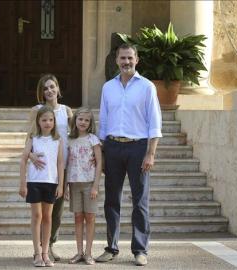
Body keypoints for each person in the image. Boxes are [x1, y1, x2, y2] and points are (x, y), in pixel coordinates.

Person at [96, 43, 162, 266]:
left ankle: (140, 250)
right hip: (113, 147)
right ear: (116, 60)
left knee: (140, 201)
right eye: (122, 58)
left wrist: (150, 154)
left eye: (130, 58)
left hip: (138, 148)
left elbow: (154, 123)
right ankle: (111, 248)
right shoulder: (108, 88)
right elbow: (103, 122)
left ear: (137, 60)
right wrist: (102, 155)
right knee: (111, 201)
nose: (126, 62)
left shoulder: (147, 87)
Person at [27, 74, 73, 261]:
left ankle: (49, 246)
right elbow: (28, 138)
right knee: (40, 213)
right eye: (45, 88)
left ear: (58, 88)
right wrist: (30, 156)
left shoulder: (67, 111)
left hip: (61, 166)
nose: (49, 91)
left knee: (57, 211)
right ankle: (39, 250)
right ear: (41, 92)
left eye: (52, 86)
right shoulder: (36, 110)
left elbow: (75, 135)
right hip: (42, 169)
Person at [19, 105, 64, 267]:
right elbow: (23, 159)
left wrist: (60, 185)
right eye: (44, 120)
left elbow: (60, 163)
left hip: (51, 183)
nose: (47, 123)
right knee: (36, 216)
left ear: (54, 122)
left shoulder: (57, 140)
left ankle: (46, 254)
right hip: (34, 182)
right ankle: (37, 254)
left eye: (51, 120)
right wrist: (23, 183)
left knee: (47, 217)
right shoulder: (33, 138)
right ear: (38, 121)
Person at [65, 107, 102, 265]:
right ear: (75, 120)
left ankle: (88, 253)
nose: (83, 122)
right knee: (78, 217)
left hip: (89, 184)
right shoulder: (69, 139)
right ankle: (79, 252)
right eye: (80, 119)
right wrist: (65, 185)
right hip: (74, 184)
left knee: (90, 217)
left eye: (87, 120)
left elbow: (100, 162)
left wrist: (95, 185)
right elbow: (66, 163)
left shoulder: (93, 139)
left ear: (90, 123)